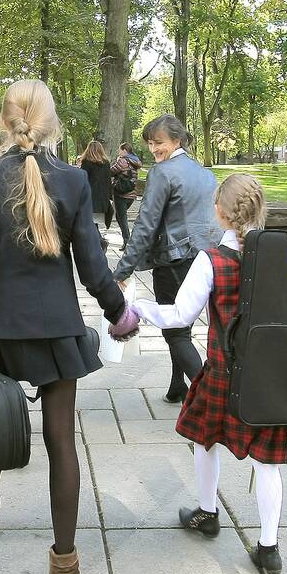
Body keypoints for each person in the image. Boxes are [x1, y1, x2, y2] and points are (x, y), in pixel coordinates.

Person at [0, 79, 137, 574]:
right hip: (57, 330)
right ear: (51, 123)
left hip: (2, 330)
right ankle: (66, 568)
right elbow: (93, 265)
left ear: (6, 122)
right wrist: (120, 313)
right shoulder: (74, 180)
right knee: (61, 442)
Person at [131, 173, 287, 573]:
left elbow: (181, 314)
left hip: (223, 370)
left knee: (205, 439)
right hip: (269, 375)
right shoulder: (277, 254)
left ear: (220, 213)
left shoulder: (211, 260)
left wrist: (138, 310)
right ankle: (269, 547)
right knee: (267, 463)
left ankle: (207, 511)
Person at [114, 114, 221, 405]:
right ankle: (177, 387)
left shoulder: (163, 173)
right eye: (149, 143)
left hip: (174, 260)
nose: (153, 149)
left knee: (175, 331)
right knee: (181, 327)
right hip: (206, 258)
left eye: (158, 142)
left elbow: (145, 226)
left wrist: (122, 271)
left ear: (177, 140)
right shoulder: (203, 171)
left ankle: (211, 399)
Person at [110, 142, 141, 249]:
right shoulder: (135, 161)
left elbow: (111, 171)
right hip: (132, 194)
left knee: (121, 218)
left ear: (124, 150)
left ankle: (128, 242)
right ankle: (127, 240)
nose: (119, 152)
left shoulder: (123, 160)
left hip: (121, 194)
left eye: (120, 150)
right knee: (120, 216)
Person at [79, 140, 113, 229]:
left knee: (90, 224)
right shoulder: (106, 163)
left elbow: (83, 179)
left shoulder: (87, 162)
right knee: (95, 224)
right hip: (102, 198)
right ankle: (99, 241)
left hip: (90, 197)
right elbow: (108, 180)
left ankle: (100, 241)